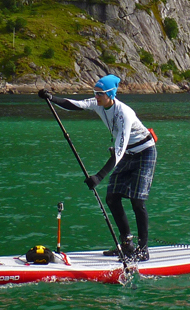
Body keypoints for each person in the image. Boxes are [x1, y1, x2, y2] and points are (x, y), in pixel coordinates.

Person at [39, 74, 156, 261]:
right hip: (126, 153)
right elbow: (75, 105)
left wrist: (99, 177)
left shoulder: (124, 113)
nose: (96, 96)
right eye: (95, 92)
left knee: (137, 202)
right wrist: (52, 98)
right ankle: (127, 245)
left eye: (99, 93)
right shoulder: (98, 103)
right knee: (112, 198)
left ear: (110, 94)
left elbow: (118, 151)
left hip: (144, 152)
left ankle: (143, 250)